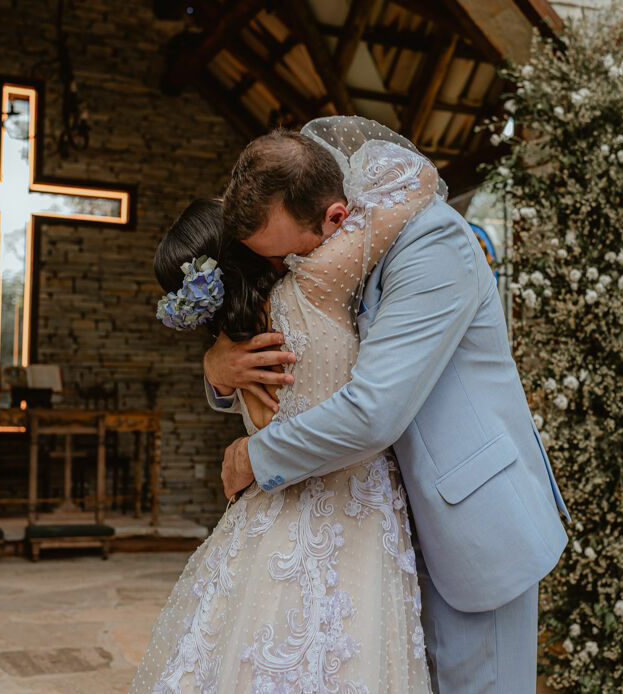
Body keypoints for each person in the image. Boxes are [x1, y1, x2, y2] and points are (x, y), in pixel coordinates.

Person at [206, 116, 570, 693]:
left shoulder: (433, 245)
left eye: (284, 258)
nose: (280, 278)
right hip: (382, 533)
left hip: (463, 519)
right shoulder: (345, 254)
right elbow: (311, 372)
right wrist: (221, 373)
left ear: (334, 217)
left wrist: (256, 455)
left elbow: (373, 411)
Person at [131, 128, 441, 693]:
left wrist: (212, 362)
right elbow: (419, 180)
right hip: (353, 511)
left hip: (268, 522)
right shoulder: (317, 281)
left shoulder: (240, 332)